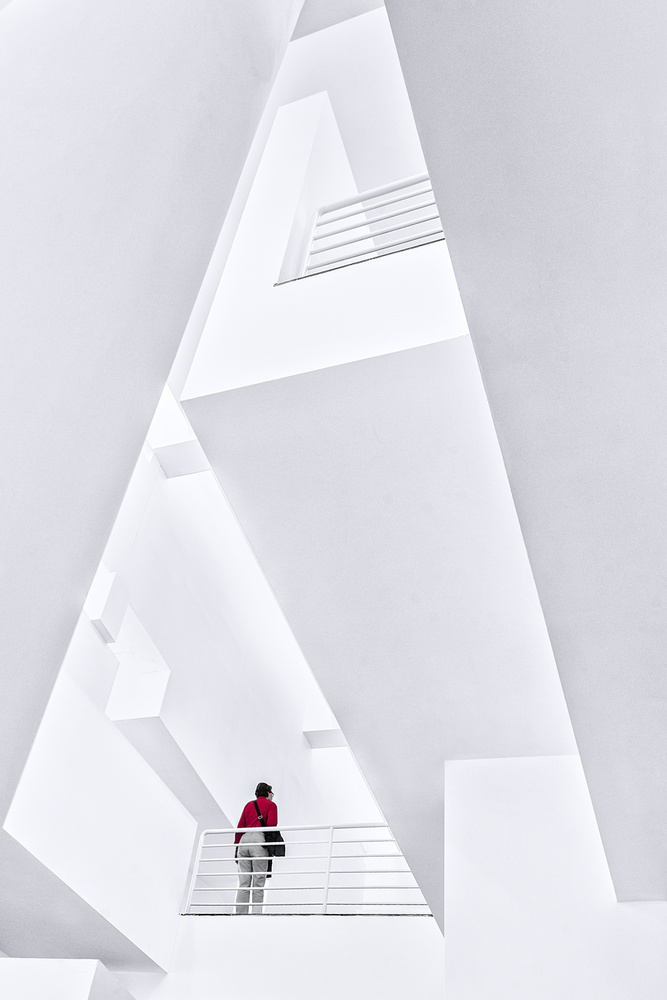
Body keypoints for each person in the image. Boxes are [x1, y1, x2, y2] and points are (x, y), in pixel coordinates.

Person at [234, 782, 277, 915]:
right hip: (259, 840)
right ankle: (256, 915)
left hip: (244, 841)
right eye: (272, 793)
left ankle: (240, 914)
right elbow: (271, 825)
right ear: (268, 793)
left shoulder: (249, 805)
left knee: (243, 883)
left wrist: (237, 847)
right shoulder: (271, 805)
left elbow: (240, 827)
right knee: (258, 882)